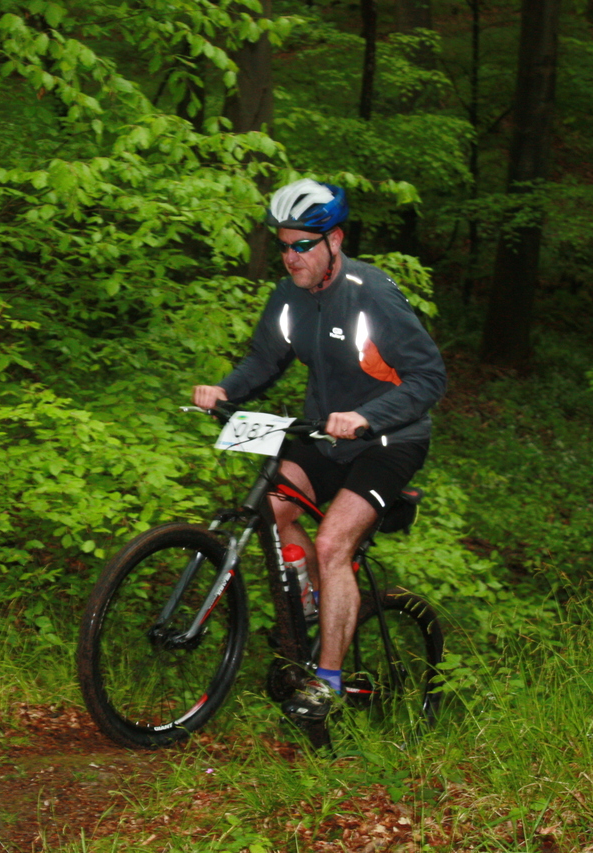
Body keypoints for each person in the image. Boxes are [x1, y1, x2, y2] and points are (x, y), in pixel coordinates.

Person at [191, 178, 446, 727]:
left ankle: (326, 682)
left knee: (332, 542)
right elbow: (264, 360)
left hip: (389, 440)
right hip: (326, 436)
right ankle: (309, 604)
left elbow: (429, 377)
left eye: (303, 245)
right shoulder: (289, 297)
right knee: (269, 507)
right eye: (284, 246)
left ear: (335, 240)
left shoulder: (371, 294)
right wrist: (225, 390)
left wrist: (368, 416)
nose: (291, 258)